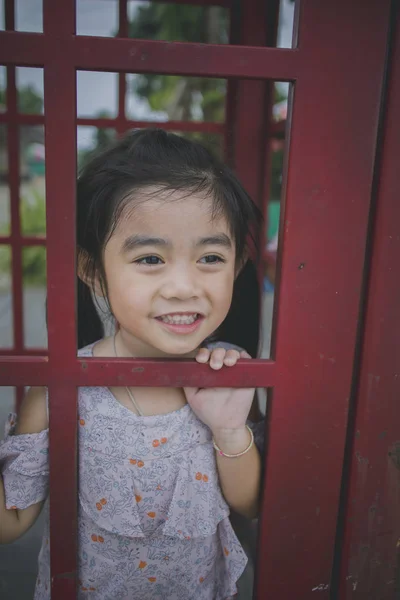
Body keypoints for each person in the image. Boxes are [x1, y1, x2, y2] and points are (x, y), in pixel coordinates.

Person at [0, 129, 264, 599]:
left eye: (209, 257)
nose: (183, 286)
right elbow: (13, 519)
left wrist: (229, 430)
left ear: (237, 264)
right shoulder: (61, 385)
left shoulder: (228, 374)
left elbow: (251, 503)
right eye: (149, 258)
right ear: (91, 270)